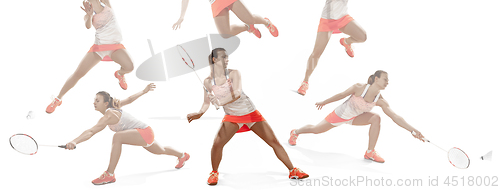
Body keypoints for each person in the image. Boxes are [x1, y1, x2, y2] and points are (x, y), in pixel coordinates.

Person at [187, 48, 308, 185]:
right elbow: (205, 102)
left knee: (273, 142)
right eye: (223, 57)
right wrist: (200, 113)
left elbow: (237, 92)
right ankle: (214, 173)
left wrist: (220, 101)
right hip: (232, 116)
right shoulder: (208, 81)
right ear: (215, 60)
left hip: (250, 113)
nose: (227, 59)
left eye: (227, 57)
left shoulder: (233, 73)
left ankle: (293, 170)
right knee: (217, 144)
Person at [46, 0, 133, 114]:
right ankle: (58, 99)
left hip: (115, 46)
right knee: (78, 74)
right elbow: (87, 26)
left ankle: (120, 74)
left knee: (130, 67)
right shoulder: (88, 14)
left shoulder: (106, 2)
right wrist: (89, 15)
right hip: (99, 47)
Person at [65, 83, 190, 185]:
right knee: (160, 150)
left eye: (97, 100)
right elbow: (129, 99)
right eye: (94, 100)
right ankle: (182, 155)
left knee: (117, 137)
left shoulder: (109, 115)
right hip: (145, 132)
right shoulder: (113, 107)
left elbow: (91, 131)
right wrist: (143, 91)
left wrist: (74, 141)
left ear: (105, 103)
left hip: (144, 132)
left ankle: (109, 174)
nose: (94, 103)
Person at [289, 70, 425, 163]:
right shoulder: (360, 87)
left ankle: (370, 152)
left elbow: (395, 116)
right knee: (316, 129)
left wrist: (413, 130)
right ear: (376, 79)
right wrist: (324, 102)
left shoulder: (380, 100)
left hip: (355, 117)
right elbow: (341, 95)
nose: (387, 82)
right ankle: (295, 132)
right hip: (340, 115)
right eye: (385, 79)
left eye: (388, 80)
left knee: (376, 118)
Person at [297, 0, 366, 96]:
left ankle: (346, 42)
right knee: (316, 53)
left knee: (363, 37)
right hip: (328, 20)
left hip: (343, 18)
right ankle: (305, 81)